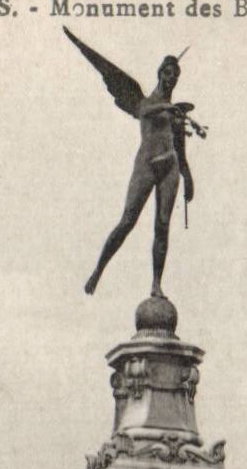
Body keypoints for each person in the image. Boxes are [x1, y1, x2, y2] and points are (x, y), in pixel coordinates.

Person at [63, 30, 195, 299]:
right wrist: (167, 109)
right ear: (161, 73)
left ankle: (156, 284)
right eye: (169, 73)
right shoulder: (146, 102)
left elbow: (180, 149)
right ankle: (98, 270)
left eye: (177, 77)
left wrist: (188, 177)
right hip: (147, 164)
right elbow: (144, 111)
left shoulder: (176, 113)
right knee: (127, 221)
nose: (173, 79)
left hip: (169, 167)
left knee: (162, 226)